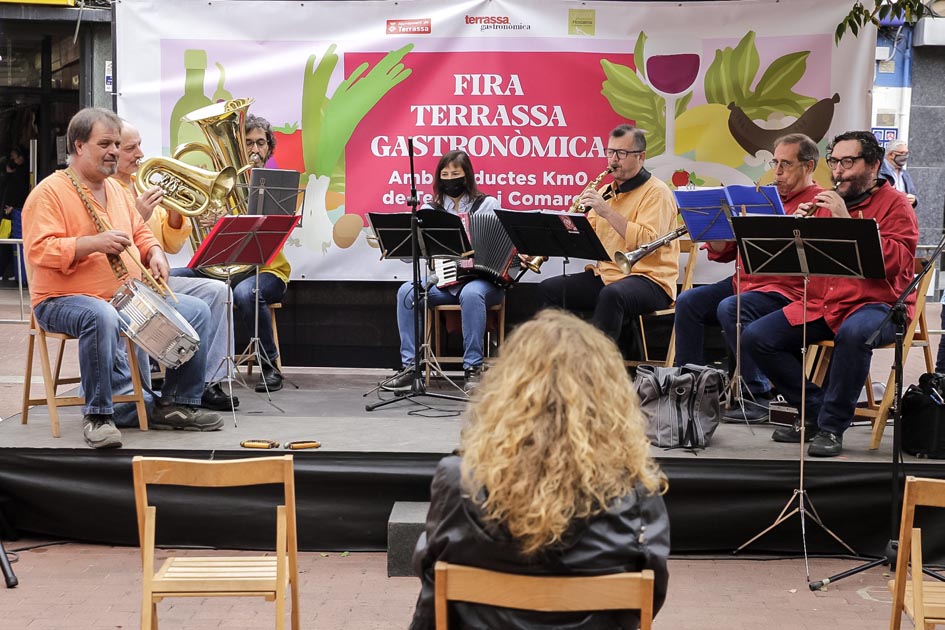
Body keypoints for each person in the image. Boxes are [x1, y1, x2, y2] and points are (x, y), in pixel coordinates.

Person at [409, 309, 670, 629]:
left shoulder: (458, 480)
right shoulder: (637, 493)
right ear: (609, 398)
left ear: (506, 392)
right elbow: (647, 600)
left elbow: (432, 601)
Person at [22, 107, 224, 449]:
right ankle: (98, 415)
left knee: (197, 310)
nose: (114, 151)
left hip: (124, 296)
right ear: (78, 145)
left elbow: (140, 231)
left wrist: (155, 253)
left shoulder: (116, 190)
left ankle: (177, 403)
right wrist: (91, 244)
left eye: (117, 143)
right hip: (61, 301)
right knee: (102, 314)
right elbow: (40, 250)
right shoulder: (49, 192)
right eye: (105, 143)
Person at [742, 130, 918, 457]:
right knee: (756, 336)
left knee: (853, 335)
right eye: (834, 162)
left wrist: (845, 220)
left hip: (878, 304)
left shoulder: (896, 205)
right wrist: (795, 237)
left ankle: (832, 427)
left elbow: (899, 264)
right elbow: (807, 266)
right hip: (827, 302)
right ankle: (813, 410)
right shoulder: (823, 204)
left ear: (873, 164)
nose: (838, 171)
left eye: (848, 162)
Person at [676, 133, 822, 423]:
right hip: (745, 282)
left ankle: (756, 395)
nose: (777, 171)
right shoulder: (760, 198)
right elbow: (727, 250)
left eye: (786, 164)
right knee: (688, 301)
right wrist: (710, 226)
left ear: (808, 167)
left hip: (788, 290)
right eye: (775, 163)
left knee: (732, 307)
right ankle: (690, 388)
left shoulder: (821, 204)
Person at [113, 120, 239, 411]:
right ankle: (142, 398)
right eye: (131, 148)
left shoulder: (140, 183)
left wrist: (173, 214)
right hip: (126, 286)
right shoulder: (110, 190)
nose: (140, 154)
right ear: (112, 152)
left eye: (139, 145)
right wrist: (139, 215)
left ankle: (208, 381)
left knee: (218, 291)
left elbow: (171, 245)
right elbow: (114, 244)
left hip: (154, 281)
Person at [171, 113, 290, 393]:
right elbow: (190, 225)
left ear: (269, 148)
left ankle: (270, 365)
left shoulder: (275, 183)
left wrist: (235, 220)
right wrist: (209, 221)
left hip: (266, 268)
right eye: (248, 143)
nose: (254, 150)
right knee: (167, 279)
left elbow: (276, 229)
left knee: (247, 294)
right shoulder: (215, 181)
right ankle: (170, 363)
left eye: (261, 143)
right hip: (218, 267)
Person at [539, 123, 678, 347]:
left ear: (641, 157)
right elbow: (588, 237)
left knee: (612, 296)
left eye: (621, 153)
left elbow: (649, 242)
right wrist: (561, 233)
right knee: (550, 289)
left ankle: (598, 370)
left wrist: (606, 211)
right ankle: (556, 362)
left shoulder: (657, 192)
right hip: (608, 276)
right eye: (610, 152)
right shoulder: (606, 191)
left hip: (651, 280)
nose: (613, 160)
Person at [385, 150, 504, 392]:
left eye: (456, 173)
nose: (450, 178)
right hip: (443, 281)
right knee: (406, 293)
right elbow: (413, 256)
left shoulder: (488, 204)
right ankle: (410, 367)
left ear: (467, 176)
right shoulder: (431, 209)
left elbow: (497, 247)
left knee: (471, 293)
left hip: (483, 281)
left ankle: (473, 367)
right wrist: (400, 240)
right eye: (445, 174)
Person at [0, 145, 31, 282]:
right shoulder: (13, 174)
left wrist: (14, 207)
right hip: (7, 212)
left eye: (14, 157)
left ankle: (7, 270)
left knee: (8, 243)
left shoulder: (22, 174)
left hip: (14, 213)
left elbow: (20, 193)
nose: (12, 160)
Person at [878, 138, 917, 208]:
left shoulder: (905, 174)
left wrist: (914, 200)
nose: (905, 156)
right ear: (891, 154)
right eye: (902, 153)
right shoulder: (878, 172)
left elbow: (913, 193)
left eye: (906, 153)